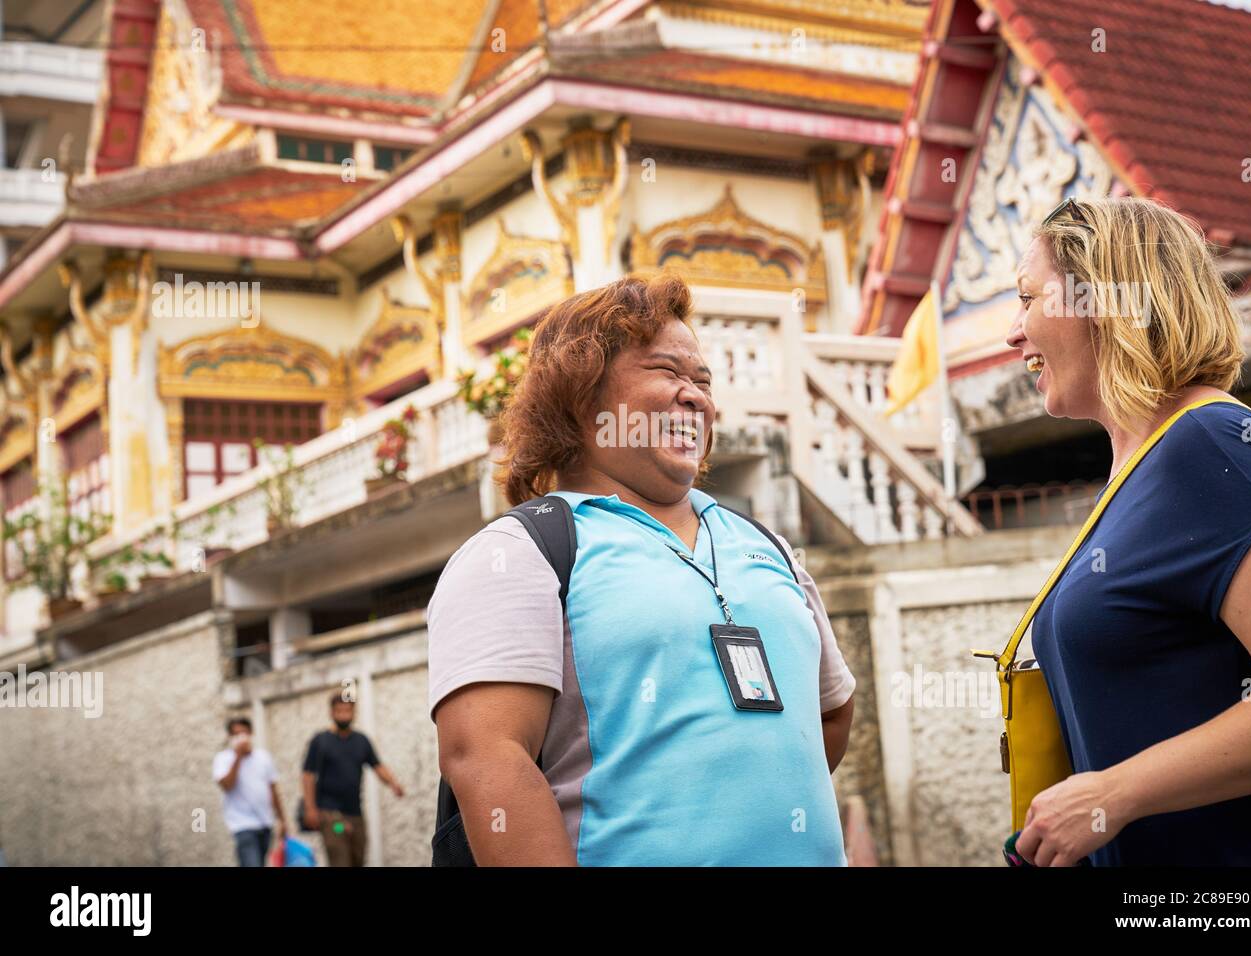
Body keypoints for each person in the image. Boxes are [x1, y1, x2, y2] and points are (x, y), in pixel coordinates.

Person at [426, 274, 859, 866]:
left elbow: (830, 714)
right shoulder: (522, 553)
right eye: (668, 373)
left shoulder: (767, 545)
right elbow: (488, 759)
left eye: (702, 381)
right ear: (580, 395)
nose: (696, 396)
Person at [1004, 196, 1251, 865]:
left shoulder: (1215, 446)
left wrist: (1115, 793)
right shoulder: (1142, 468)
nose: (1012, 332)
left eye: (1027, 299)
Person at [301, 695, 405, 867]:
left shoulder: (361, 741)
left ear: (354, 712)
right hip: (331, 818)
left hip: (355, 816)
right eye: (339, 711)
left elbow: (377, 766)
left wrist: (393, 783)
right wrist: (310, 808)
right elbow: (308, 775)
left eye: (347, 711)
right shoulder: (320, 741)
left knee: (358, 859)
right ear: (332, 712)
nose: (344, 715)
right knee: (340, 859)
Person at [213, 717, 287, 867]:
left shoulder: (263, 757)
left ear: (251, 733)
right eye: (236, 734)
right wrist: (238, 758)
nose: (241, 738)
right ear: (230, 737)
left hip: (265, 823)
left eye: (244, 733)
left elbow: (272, 790)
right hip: (242, 825)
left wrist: (282, 820)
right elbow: (227, 785)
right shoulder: (223, 759)